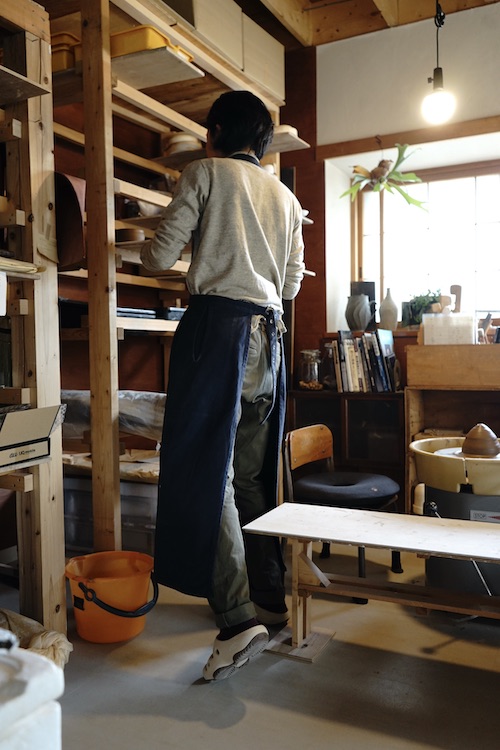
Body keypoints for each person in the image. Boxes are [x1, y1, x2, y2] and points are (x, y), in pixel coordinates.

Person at [141, 90, 305, 681]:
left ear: (213, 133)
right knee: (252, 476)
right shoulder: (286, 198)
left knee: (206, 470)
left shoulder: (204, 173)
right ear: (262, 144)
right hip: (271, 338)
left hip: (218, 331)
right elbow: (292, 283)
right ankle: (269, 599)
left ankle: (237, 623)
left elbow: (158, 257)